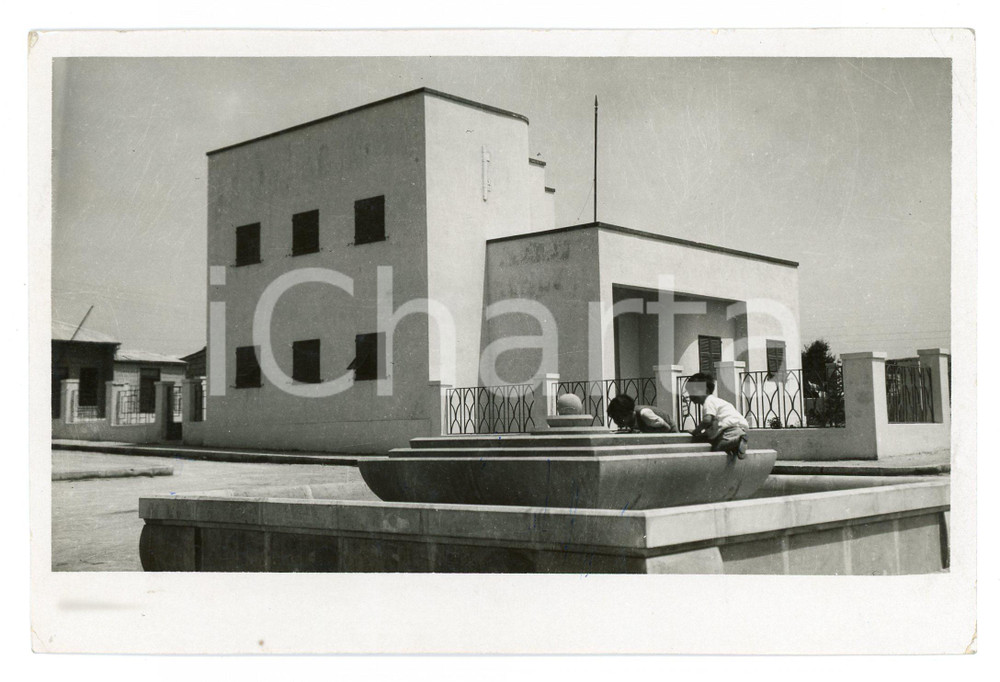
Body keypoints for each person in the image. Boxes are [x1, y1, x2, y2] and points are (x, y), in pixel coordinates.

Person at [685, 372, 749, 459]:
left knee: (717, 448)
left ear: (706, 391)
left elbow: (707, 421)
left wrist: (696, 431)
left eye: (694, 392)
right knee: (719, 445)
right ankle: (736, 446)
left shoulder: (708, 402)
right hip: (737, 429)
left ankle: (737, 441)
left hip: (729, 431)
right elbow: (713, 427)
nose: (691, 396)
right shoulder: (717, 401)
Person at [607, 394, 676, 433]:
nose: (616, 422)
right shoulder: (630, 420)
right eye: (614, 418)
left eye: (619, 418)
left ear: (629, 413)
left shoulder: (645, 414)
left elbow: (667, 428)